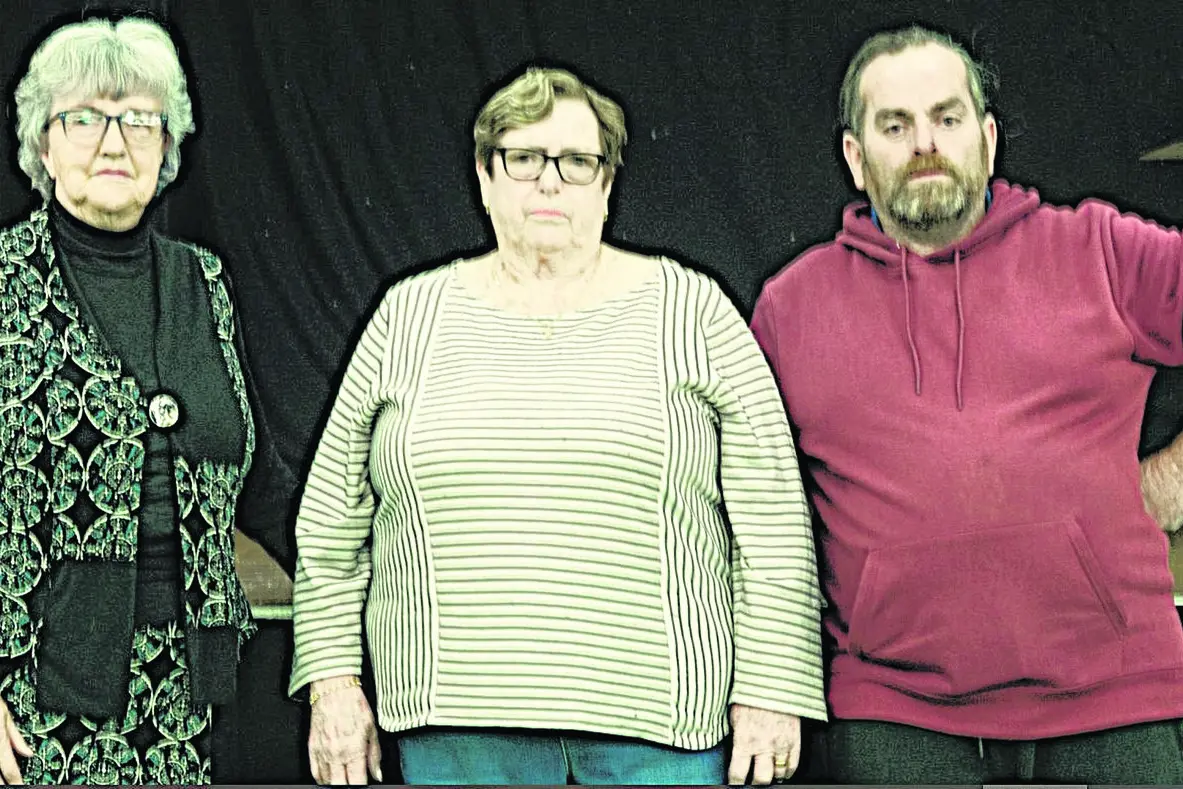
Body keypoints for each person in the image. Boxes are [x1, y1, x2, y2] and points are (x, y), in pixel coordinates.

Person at [288, 66, 827, 786]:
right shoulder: (406, 318)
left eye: (576, 162)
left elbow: (772, 522)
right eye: (523, 158)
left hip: (660, 735)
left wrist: (770, 690)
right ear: (485, 177)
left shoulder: (692, 311)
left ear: (606, 185)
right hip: (457, 732)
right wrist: (332, 685)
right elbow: (330, 527)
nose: (549, 182)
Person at [751, 23, 1183, 785]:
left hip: (1113, 695)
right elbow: (751, 503)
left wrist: (1171, 478)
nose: (925, 143)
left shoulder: (1102, 251)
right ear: (854, 157)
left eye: (946, 119)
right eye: (894, 125)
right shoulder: (790, 308)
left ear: (985, 139)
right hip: (894, 709)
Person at [0, 15, 280, 784]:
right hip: (33, 691)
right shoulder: (4, 282)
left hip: (190, 683)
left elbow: (240, 462)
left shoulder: (204, 283)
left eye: (139, 121)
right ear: (43, 145)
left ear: (168, 147)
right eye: (85, 118)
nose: (114, 142)